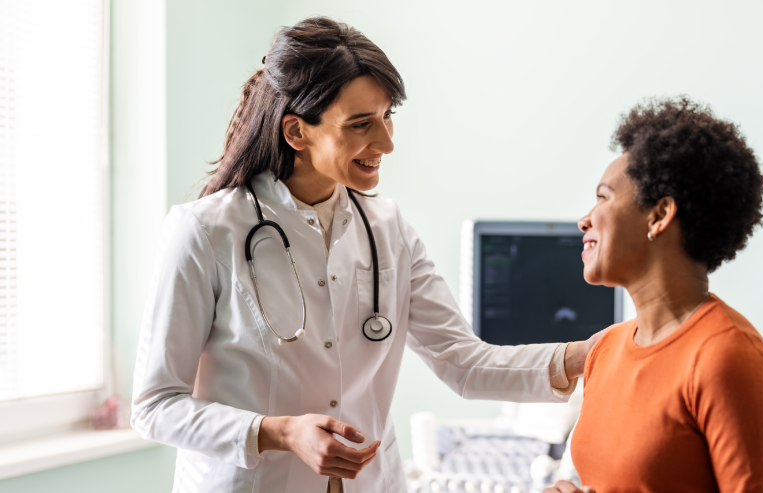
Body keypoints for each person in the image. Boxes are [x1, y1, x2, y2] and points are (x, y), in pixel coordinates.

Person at [131, 17, 595, 492]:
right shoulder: (206, 231)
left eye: (387, 116)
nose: (387, 143)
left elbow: (463, 362)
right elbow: (155, 405)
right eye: (361, 124)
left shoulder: (388, 228)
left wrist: (592, 354)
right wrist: (280, 433)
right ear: (296, 132)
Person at [545, 97, 763, 493]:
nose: (584, 220)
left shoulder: (729, 359)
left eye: (603, 197)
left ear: (660, 215)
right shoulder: (605, 352)